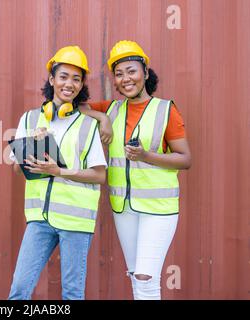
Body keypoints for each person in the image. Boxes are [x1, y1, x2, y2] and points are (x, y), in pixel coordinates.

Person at [80, 40, 192, 300]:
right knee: (135, 275)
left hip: (159, 209)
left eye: (131, 71)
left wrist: (146, 156)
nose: (125, 79)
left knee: (146, 278)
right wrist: (103, 118)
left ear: (145, 72)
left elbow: (185, 159)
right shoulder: (113, 109)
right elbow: (76, 107)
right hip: (124, 208)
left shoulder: (166, 110)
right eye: (118, 74)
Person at [8, 46, 108, 300]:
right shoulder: (30, 119)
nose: (69, 84)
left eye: (76, 79)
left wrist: (59, 171)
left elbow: (99, 175)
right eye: (63, 76)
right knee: (19, 290)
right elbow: (17, 166)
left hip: (76, 221)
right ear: (52, 79)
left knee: (72, 294)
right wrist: (35, 145)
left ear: (82, 84)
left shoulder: (88, 125)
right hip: (39, 218)